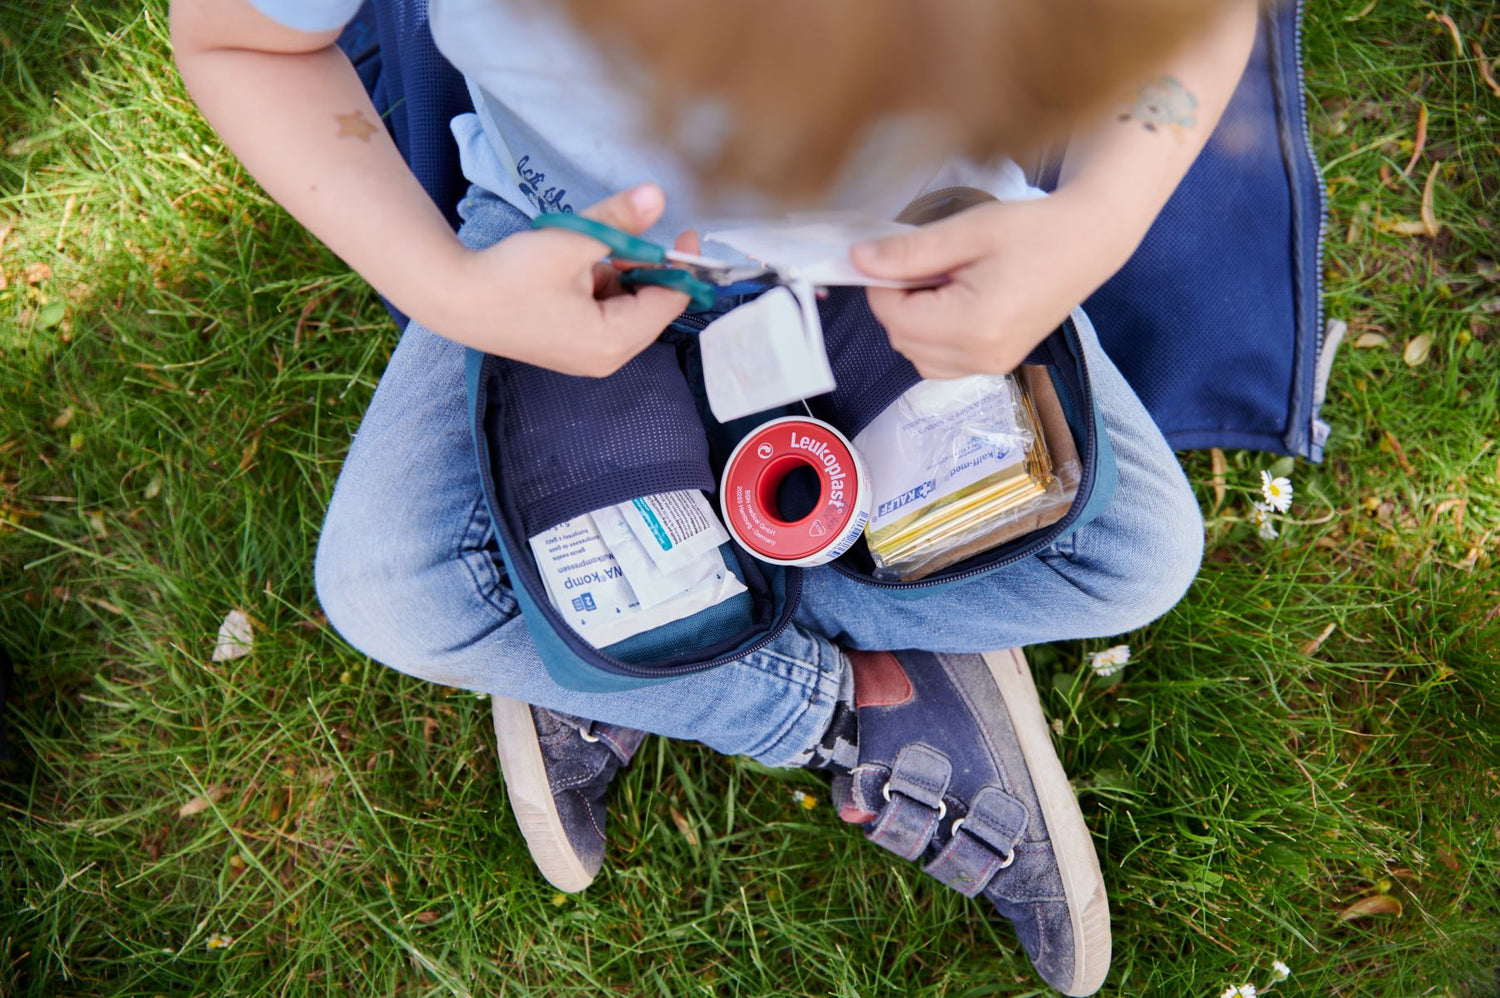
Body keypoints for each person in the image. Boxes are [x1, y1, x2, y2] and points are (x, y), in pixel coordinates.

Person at [170, 2, 1259, 992]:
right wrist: (449, 288)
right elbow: (239, 38)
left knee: (1132, 557)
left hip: (911, 253)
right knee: (395, 588)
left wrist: (1093, 224)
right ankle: (843, 698)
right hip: (569, 251)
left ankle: (618, 626)